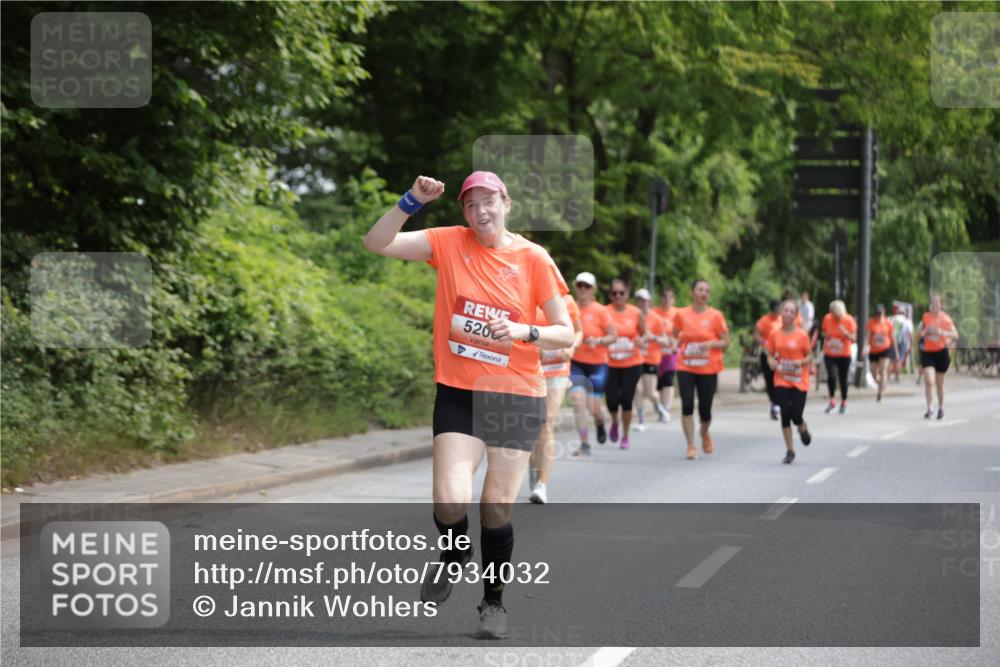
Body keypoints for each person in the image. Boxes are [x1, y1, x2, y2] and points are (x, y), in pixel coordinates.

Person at [363, 172, 574, 639]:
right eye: (472, 204)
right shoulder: (448, 243)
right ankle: (456, 553)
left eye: (489, 202)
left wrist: (525, 332)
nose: (482, 211)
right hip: (459, 392)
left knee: (496, 509)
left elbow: (566, 332)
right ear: (463, 212)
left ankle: (493, 602)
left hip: (516, 394)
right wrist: (411, 200)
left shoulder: (533, 258)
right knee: (449, 498)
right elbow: (377, 242)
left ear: (507, 203)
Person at [529, 287, 583, 504]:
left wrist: (572, 347)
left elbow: (578, 331)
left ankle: (542, 484)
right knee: (531, 427)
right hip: (531, 371)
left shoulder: (567, 301)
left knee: (546, 423)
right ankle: (534, 467)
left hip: (558, 371)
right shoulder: (523, 296)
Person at [673, 279, 730, 460]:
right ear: (692, 292)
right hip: (686, 366)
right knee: (687, 405)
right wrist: (674, 344)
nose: (704, 293)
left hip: (708, 367)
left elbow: (726, 343)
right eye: (700, 290)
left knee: (705, 411)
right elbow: (674, 337)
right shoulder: (681, 314)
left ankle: (704, 432)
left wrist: (710, 344)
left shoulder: (716, 316)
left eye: (707, 290)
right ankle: (691, 445)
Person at [569, 271, 616, 457]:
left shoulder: (601, 311)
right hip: (577, 362)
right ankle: (584, 443)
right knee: (577, 402)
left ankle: (600, 423)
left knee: (593, 407)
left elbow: (613, 336)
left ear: (593, 289)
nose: (583, 289)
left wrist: (599, 341)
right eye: (580, 285)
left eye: (587, 286)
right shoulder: (570, 308)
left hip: (597, 363)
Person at [766, 299, 814, 463]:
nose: (787, 314)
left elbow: (810, 355)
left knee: (795, 415)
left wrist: (800, 362)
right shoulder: (774, 334)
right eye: (785, 310)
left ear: (795, 315)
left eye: (791, 311)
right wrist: (771, 361)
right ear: (780, 312)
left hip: (799, 380)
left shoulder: (802, 335)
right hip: (782, 379)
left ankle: (801, 427)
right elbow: (770, 354)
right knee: (785, 414)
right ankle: (790, 450)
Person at [604, 278, 646, 449]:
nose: (618, 296)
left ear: (627, 294)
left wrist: (640, 341)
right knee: (612, 400)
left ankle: (626, 435)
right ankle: (614, 421)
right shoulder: (604, 312)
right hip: (609, 363)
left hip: (632, 363)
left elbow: (643, 334)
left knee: (626, 399)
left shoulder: (635, 313)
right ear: (610, 295)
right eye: (614, 293)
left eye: (621, 293)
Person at [633, 288, 670, 430]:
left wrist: (652, 337)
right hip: (635, 358)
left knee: (650, 392)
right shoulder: (632, 316)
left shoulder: (656, 319)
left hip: (651, 358)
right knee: (637, 389)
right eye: (638, 300)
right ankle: (641, 420)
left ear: (649, 302)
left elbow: (666, 341)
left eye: (643, 300)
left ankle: (659, 408)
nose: (640, 303)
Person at [918, 293, 958, 420]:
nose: (935, 304)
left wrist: (942, 332)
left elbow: (955, 334)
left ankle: (941, 407)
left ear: (941, 304)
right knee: (929, 381)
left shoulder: (945, 318)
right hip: (928, 352)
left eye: (937, 302)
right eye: (933, 302)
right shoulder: (926, 317)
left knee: (939, 384)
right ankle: (930, 408)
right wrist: (926, 332)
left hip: (941, 352)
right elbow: (921, 333)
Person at [821, 299, 857, 414]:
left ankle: (844, 402)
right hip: (830, 353)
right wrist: (826, 335)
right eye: (831, 313)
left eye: (834, 313)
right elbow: (823, 332)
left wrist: (845, 332)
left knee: (843, 378)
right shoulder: (827, 318)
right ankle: (832, 400)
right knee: (831, 376)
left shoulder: (849, 320)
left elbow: (853, 338)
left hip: (844, 354)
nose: (833, 315)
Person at [653, 287, 680, 420]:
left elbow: (682, 332)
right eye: (664, 297)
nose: (667, 300)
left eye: (670, 297)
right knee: (657, 384)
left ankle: (666, 409)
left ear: (673, 300)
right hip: (655, 352)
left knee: (668, 381)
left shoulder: (677, 314)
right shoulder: (654, 313)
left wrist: (675, 344)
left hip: (671, 352)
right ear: (660, 299)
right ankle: (661, 408)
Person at [753, 300, 782, 420]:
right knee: (769, 380)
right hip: (767, 354)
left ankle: (778, 403)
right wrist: (765, 342)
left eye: (778, 309)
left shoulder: (784, 319)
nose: (777, 312)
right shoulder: (764, 320)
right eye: (775, 310)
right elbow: (756, 335)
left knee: (779, 380)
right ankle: (774, 403)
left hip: (781, 355)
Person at [866, 304, 899, 402]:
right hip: (874, 350)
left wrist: (896, 352)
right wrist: (864, 347)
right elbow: (867, 337)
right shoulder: (871, 322)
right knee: (873, 373)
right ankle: (881, 384)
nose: (878, 316)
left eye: (880, 314)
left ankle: (880, 393)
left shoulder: (888, 323)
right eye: (877, 314)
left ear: (883, 313)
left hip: (886, 349)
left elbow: (893, 338)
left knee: (883, 370)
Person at [890, 304, 914, 383]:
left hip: (893, 341)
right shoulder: (907, 321)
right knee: (899, 360)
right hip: (902, 341)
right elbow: (910, 334)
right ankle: (897, 377)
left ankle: (888, 376)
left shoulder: (892, 318)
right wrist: (911, 345)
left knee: (892, 359)